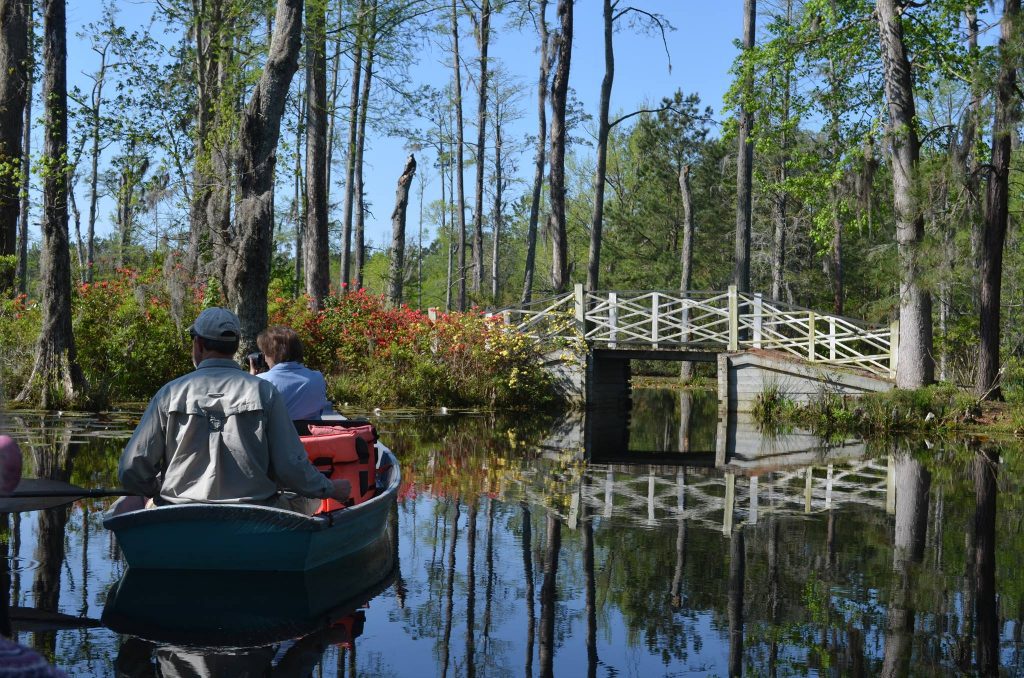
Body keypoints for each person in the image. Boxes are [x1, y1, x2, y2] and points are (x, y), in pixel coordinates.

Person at [118, 307, 349, 512]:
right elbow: (291, 467)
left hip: (180, 513)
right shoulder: (264, 392)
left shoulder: (169, 393)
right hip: (255, 515)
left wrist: (156, 488)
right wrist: (329, 488)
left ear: (198, 345)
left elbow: (130, 469)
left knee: (148, 505)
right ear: (236, 345)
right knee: (309, 500)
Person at [249, 325, 337, 421]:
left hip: (278, 435)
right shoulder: (317, 378)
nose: (264, 358)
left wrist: (250, 381)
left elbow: (251, 415)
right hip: (309, 434)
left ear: (271, 354)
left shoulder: (260, 381)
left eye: (264, 353)